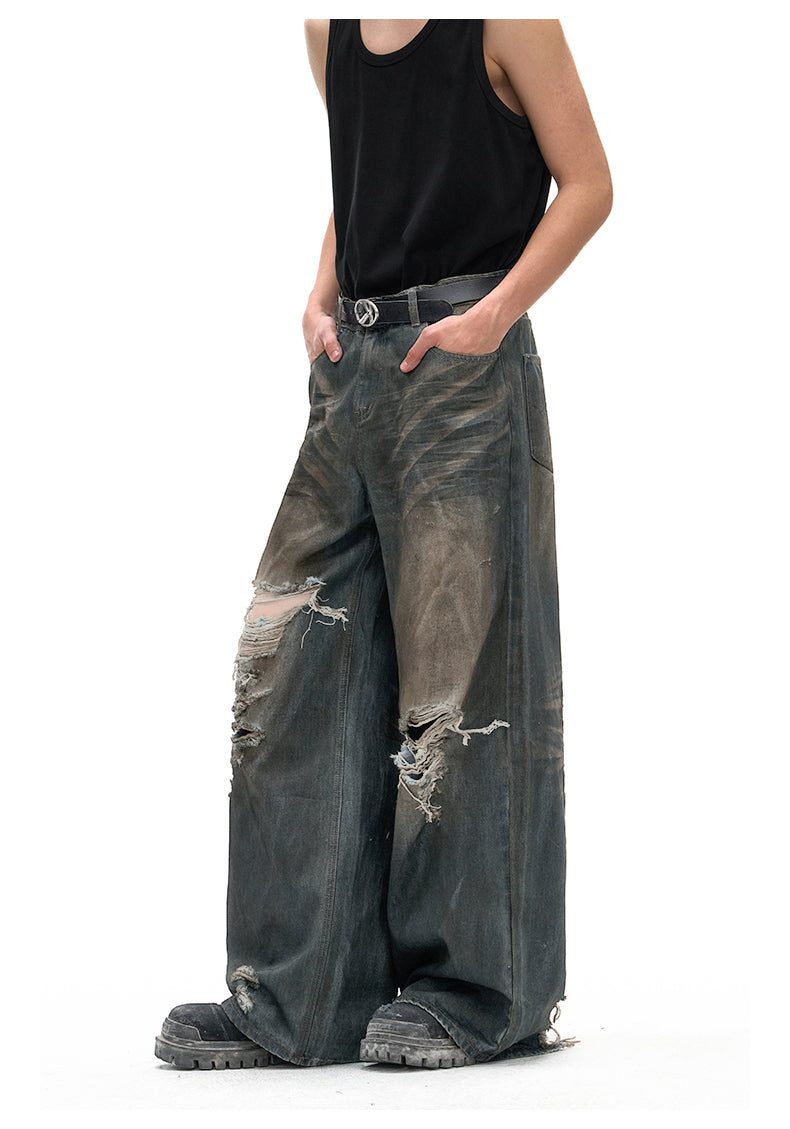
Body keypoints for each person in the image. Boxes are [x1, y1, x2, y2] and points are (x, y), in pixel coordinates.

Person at [155, 18, 612, 1071]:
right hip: (352, 370)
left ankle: (476, 992)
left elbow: (588, 184)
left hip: (461, 371)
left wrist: (494, 315)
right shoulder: (330, 28)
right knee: (292, 671)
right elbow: (365, 181)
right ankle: (297, 995)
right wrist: (321, 288)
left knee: (461, 686)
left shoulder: (507, 20)